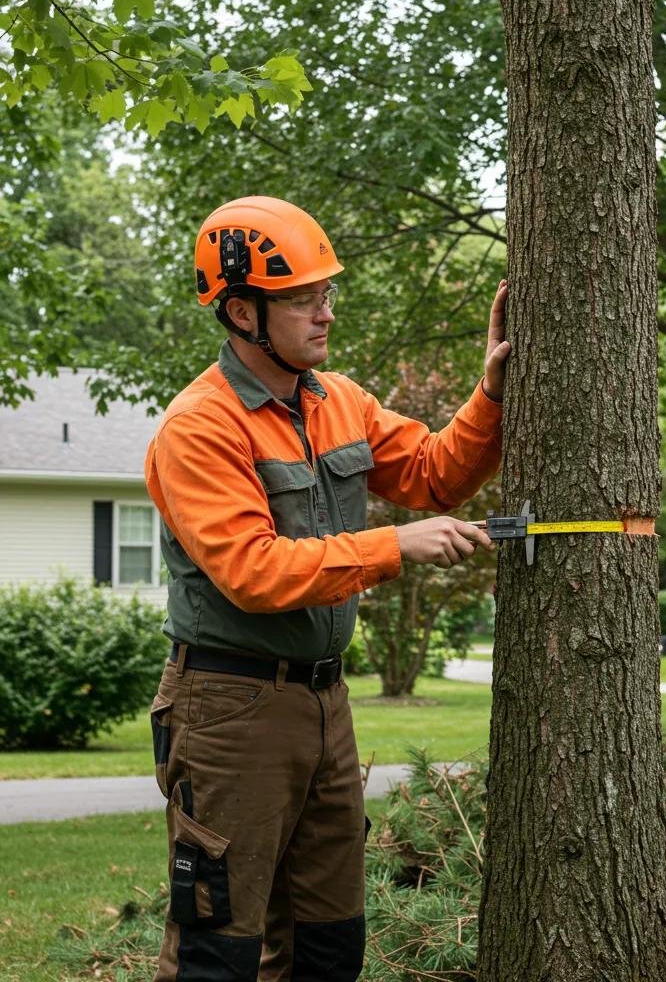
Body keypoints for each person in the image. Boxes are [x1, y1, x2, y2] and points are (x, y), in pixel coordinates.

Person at [144, 195, 508, 981]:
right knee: (221, 948)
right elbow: (252, 570)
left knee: (328, 946)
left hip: (324, 703)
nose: (325, 313)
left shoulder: (337, 401)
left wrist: (493, 394)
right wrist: (392, 545)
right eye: (305, 299)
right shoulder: (200, 428)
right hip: (229, 709)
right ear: (242, 312)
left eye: (326, 294)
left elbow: (435, 474)